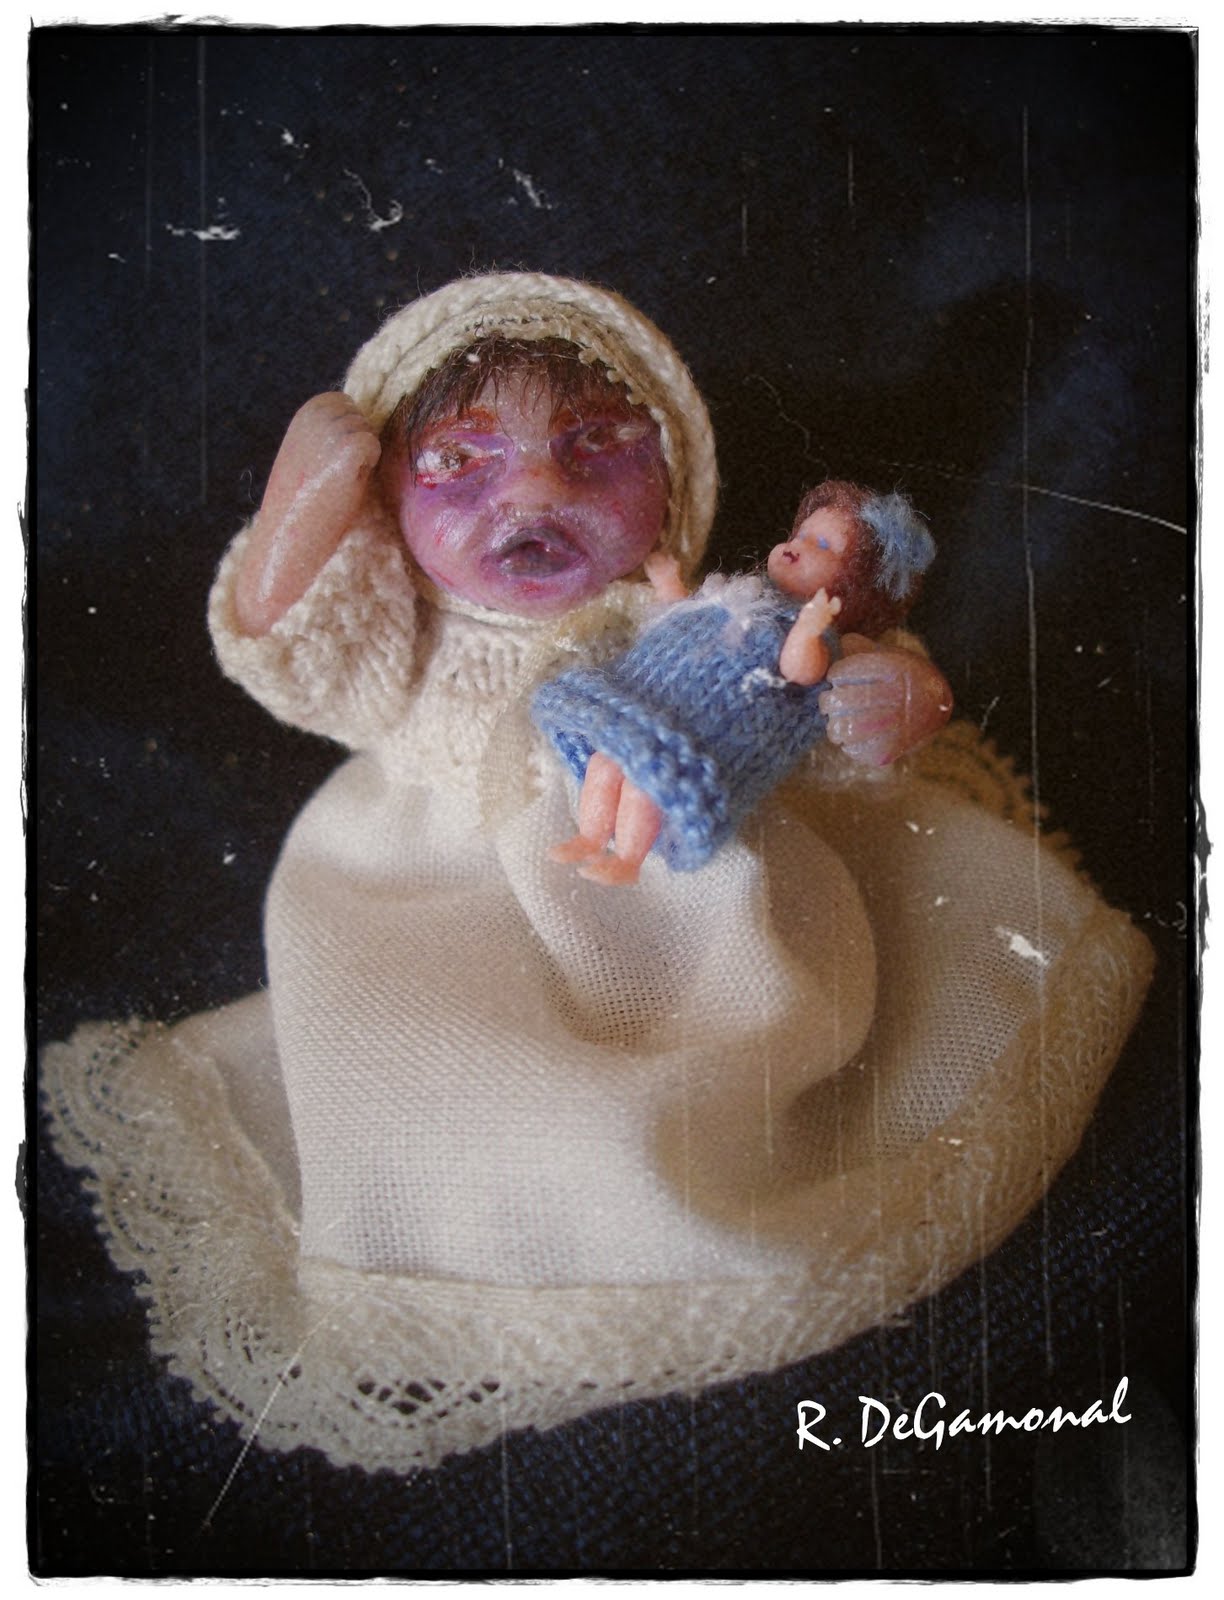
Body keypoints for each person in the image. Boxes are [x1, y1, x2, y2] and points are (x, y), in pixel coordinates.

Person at [42, 273, 1153, 1476]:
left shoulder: (695, 612)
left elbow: (796, 712)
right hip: (437, 889)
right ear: (384, 504)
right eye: (457, 459)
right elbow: (288, 652)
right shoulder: (403, 634)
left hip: (686, 879)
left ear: (674, 476)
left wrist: (895, 702)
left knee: (778, 1020)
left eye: (596, 445)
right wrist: (299, 505)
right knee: (440, 1069)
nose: (533, 491)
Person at [536, 479, 942, 884]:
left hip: (689, 736)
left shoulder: (813, 636)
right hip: (639, 697)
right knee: (604, 764)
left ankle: (627, 858)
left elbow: (801, 672)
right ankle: (590, 837)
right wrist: (668, 585)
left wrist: (809, 629)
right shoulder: (745, 593)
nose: (794, 547)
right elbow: (685, 616)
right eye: (799, 536)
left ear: (852, 590)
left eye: (821, 546)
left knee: (644, 786)